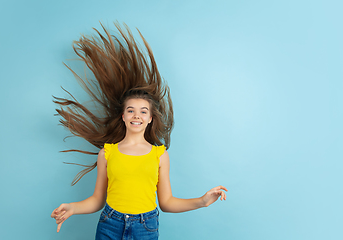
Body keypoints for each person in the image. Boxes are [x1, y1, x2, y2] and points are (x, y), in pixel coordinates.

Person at [51, 22, 227, 240]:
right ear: (123, 116)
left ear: (150, 118)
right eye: (131, 110)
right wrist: (72, 208)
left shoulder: (160, 155)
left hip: (146, 227)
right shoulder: (107, 153)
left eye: (143, 111)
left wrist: (202, 201)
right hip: (110, 224)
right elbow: (97, 200)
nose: (137, 115)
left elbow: (167, 203)